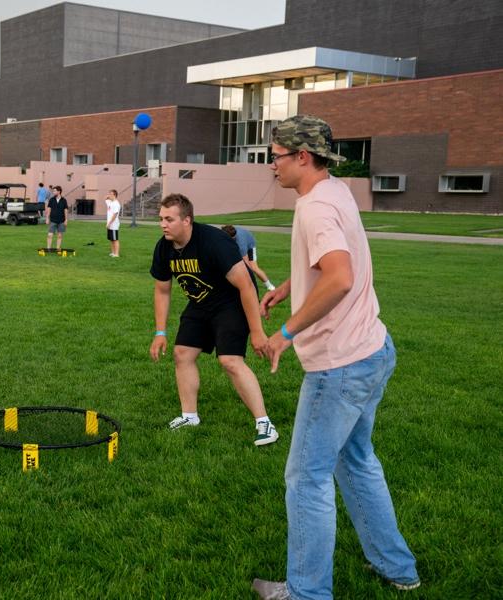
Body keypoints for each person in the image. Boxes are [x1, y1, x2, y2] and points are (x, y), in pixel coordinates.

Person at [252, 115, 419, 600]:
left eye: (276, 157)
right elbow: (332, 262)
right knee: (357, 460)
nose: (273, 168)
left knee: (306, 478)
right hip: (373, 350)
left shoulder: (315, 208)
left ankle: (306, 594)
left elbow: (340, 277)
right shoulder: (335, 190)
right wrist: (291, 285)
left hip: (339, 365)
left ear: (302, 157)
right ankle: (398, 570)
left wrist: (284, 333)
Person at [149, 194, 278, 446]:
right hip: (200, 303)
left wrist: (257, 331)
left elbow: (246, 287)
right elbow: (162, 290)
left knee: (230, 360)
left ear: (187, 220)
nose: (163, 224)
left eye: (169, 219)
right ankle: (189, 416)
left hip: (231, 302)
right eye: (161, 219)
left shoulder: (214, 242)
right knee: (182, 354)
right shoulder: (164, 247)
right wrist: (160, 332)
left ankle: (264, 423)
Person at [221, 225, 276, 292]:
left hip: (250, 245)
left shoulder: (241, 243)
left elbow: (245, 263)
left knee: (253, 267)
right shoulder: (223, 233)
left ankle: (270, 286)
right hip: (236, 242)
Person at [45, 186, 68, 250]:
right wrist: (47, 218)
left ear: (59, 191)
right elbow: (49, 209)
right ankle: (48, 248)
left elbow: (65, 210)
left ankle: (58, 248)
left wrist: (66, 220)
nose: (53, 192)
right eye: (53, 191)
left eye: (54, 191)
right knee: (50, 235)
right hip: (53, 220)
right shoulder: (51, 200)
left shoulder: (64, 200)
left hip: (61, 221)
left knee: (60, 235)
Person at [104, 189, 121, 257]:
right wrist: (108, 196)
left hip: (114, 225)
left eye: (111, 194)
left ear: (114, 195)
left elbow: (115, 215)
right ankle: (113, 252)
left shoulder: (116, 204)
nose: (109, 195)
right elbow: (105, 198)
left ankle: (116, 254)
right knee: (111, 239)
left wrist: (109, 223)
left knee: (115, 239)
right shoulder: (110, 202)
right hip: (110, 225)